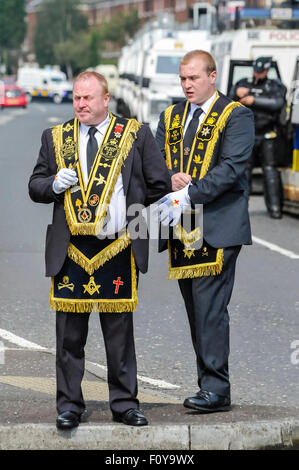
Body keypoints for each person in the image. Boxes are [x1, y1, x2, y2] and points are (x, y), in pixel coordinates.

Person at [28, 71, 171, 430]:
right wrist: (52, 185)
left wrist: (144, 216)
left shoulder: (134, 135)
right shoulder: (55, 137)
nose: (81, 104)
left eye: (88, 98)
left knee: (119, 334)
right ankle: (69, 406)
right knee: (69, 336)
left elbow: (157, 184)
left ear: (106, 99)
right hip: (71, 248)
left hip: (118, 245)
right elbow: (35, 185)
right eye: (77, 98)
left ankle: (124, 404)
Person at [155, 50, 254, 413]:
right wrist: (168, 177)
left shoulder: (237, 116)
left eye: (193, 78)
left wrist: (187, 193)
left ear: (212, 77)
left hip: (218, 225)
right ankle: (209, 384)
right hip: (184, 228)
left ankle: (216, 389)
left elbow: (232, 169)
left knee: (211, 309)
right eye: (182, 78)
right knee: (197, 309)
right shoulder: (171, 116)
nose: (186, 85)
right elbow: (155, 159)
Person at [229, 56, 287, 219]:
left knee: (270, 170)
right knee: (244, 172)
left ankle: (275, 208)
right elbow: (228, 99)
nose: (257, 74)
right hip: (247, 135)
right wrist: (236, 92)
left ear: (267, 70)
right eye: (255, 70)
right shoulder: (243, 82)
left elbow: (277, 103)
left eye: (260, 71)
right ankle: (240, 209)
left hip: (267, 134)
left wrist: (254, 100)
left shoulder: (275, 86)